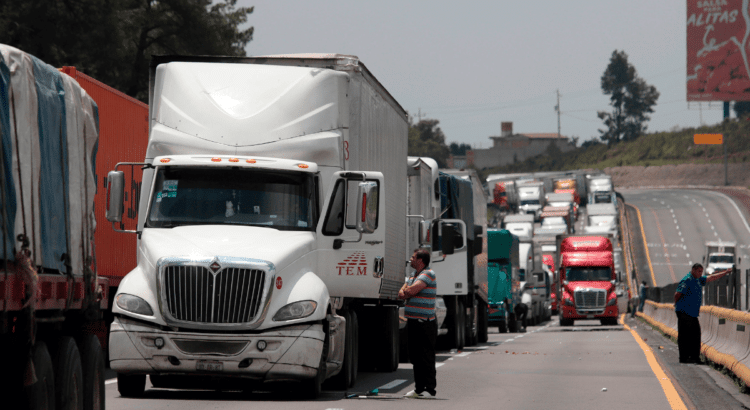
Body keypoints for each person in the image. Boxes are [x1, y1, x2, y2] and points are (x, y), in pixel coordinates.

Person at [399, 249, 438, 398]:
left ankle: (429, 389)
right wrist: (406, 291)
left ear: (420, 260)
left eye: (413, 257)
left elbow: (410, 291)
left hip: (425, 322)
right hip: (413, 321)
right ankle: (419, 389)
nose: (410, 260)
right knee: (415, 356)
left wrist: (407, 291)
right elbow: (401, 292)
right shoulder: (413, 276)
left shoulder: (428, 274)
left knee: (426, 356)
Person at [674, 263, 731, 364]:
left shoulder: (698, 279)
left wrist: (725, 273)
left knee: (695, 335)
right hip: (684, 312)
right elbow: (677, 294)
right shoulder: (688, 279)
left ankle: (693, 357)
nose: (701, 273)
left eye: (701, 271)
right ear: (693, 270)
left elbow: (711, 278)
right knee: (685, 336)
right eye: (699, 271)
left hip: (692, 313)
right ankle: (685, 358)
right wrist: (677, 306)